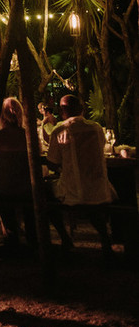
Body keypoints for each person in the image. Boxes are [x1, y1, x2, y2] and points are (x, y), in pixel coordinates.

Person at [46, 94, 115, 255]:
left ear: (62, 111)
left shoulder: (60, 131)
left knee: (44, 192)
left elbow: (52, 163)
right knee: (91, 205)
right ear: (81, 109)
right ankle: (104, 237)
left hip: (74, 191)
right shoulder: (96, 128)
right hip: (100, 189)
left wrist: (64, 165)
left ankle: (64, 238)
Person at [0, 97, 35, 248]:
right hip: (27, 187)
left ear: (1, 116)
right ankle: (32, 239)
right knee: (30, 204)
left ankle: (10, 236)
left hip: (4, 187)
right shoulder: (28, 135)